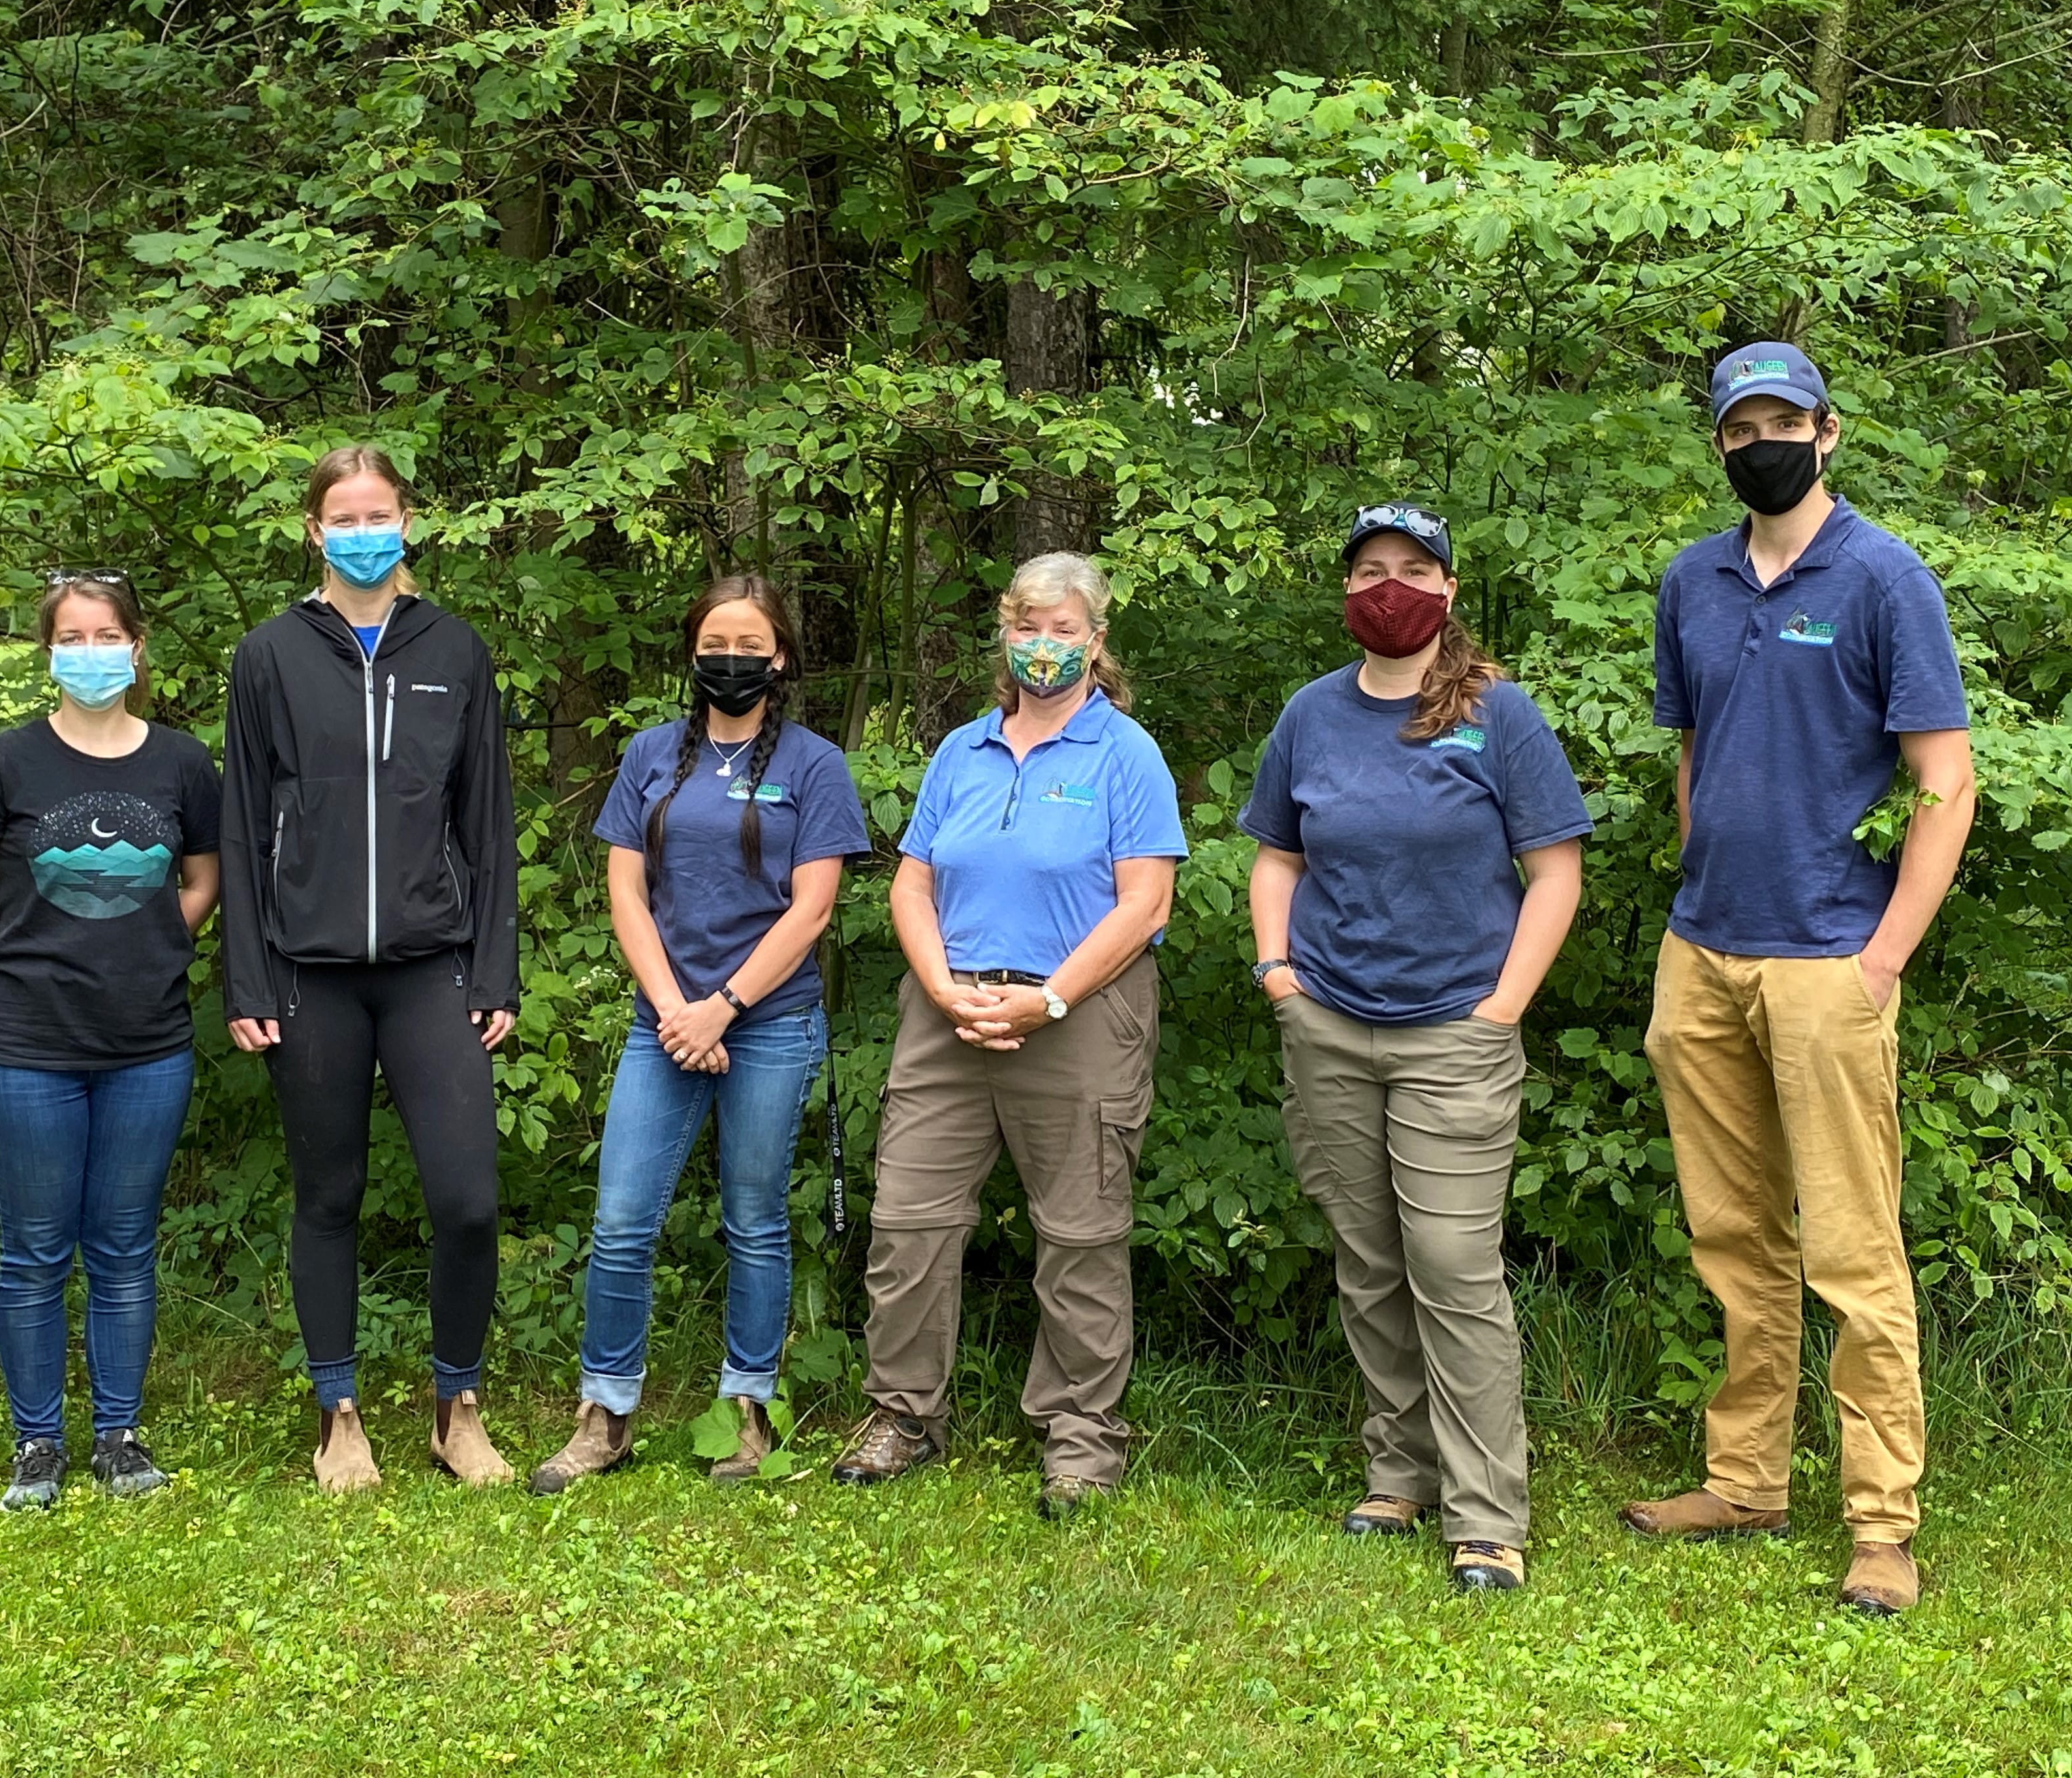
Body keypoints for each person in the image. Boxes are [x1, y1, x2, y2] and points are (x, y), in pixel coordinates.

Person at [1622, 343, 1974, 1618]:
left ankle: (1883, 1527)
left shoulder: (1883, 577)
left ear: (1827, 432)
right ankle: (1746, 1482)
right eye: (1738, 426)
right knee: (1733, 1236)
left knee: (1853, 1249)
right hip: (1702, 954)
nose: (1759, 441)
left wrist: (1884, 957)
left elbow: (1946, 778)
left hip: (1831, 956)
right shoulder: (1693, 581)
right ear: (1719, 445)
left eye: (1781, 420)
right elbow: (1698, 750)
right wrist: (1696, 888)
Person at [1240, 503, 1590, 1592]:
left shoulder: (1501, 715)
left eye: (1412, 569)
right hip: (1332, 1025)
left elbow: (1558, 873)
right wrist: (1278, 974)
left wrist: (1501, 1009)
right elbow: (1275, 856)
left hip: (1454, 1035)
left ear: (1447, 589)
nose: (1389, 586)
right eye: (1369, 569)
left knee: (1452, 1266)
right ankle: (1400, 1474)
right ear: (1346, 590)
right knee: (1372, 1260)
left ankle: (1489, 1515)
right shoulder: (1309, 714)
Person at [829, 552, 1187, 1518]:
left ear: (1097, 640)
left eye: (1064, 629)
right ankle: (903, 1415)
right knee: (908, 1222)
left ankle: (1080, 1440)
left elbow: (1145, 900)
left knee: (1078, 1235)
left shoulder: (1126, 755)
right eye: (1029, 625)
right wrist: (942, 986)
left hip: (1077, 1017)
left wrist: (1052, 1000)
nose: (1044, 645)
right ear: (1004, 628)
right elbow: (913, 880)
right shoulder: (961, 752)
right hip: (947, 1014)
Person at [219, 443, 522, 1495]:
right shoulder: (268, 657)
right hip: (309, 974)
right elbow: (245, 822)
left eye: (379, 514)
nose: (361, 532)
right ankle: (337, 1414)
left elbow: (486, 820)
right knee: (329, 1194)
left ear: (408, 524)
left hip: (432, 964)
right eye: (341, 517)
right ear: (313, 530)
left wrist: (496, 971)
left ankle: (457, 1408)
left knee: (467, 1198)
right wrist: (248, 980)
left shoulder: (455, 648)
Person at [528, 574, 869, 1495]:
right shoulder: (647, 755)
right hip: (661, 1021)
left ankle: (747, 1413)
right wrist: (678, 1006)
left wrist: (723, 1007)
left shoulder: (813, 765)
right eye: (715, 644)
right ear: (692, 654)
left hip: (769, 1022)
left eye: (749, 647)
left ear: (780, 659)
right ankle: (607, 1413)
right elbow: (625, 891)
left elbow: (813, 911)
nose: (731, 660)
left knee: (754, 1222)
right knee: (621, 1220)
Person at [0, 571, 222, 1511]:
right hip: (25, 1049)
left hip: (148, 1044)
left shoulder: (181, 762)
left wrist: (153, 951)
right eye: (72, 636)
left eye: (107, 636)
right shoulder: (4, 764)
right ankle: (37, 1443)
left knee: (127, 1244)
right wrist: (14, 973)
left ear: (138, 650)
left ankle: (121, 1440)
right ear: (48, 651)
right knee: (35, 1250)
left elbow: (205, 878)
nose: (90, 652)